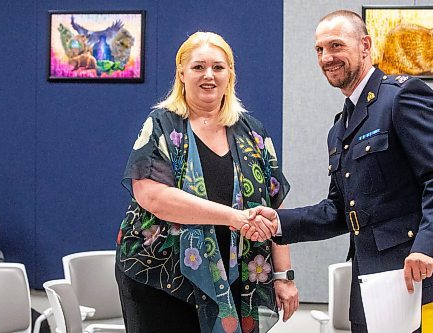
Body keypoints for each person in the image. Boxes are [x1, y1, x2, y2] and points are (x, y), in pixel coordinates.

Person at [247, 10, 433, 333]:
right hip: (366, 280)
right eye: (320, 50)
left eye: (336, 45)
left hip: (415, 276)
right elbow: (338, 210)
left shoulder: (403, 97)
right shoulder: (339, 129)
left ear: (365, 45)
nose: (327, 57)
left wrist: (427, 245)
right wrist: (278, 222)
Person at [114, 31, 298, 333]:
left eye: (218, 67)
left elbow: (276, 206)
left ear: (230, 75)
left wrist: (283, 276)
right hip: (160, 277)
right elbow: (154, 197)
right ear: (182, 74)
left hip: (238, 275)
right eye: (198, 67)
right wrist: (233, 218)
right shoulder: (162, 124)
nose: (208, 75)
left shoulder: (253, 132)